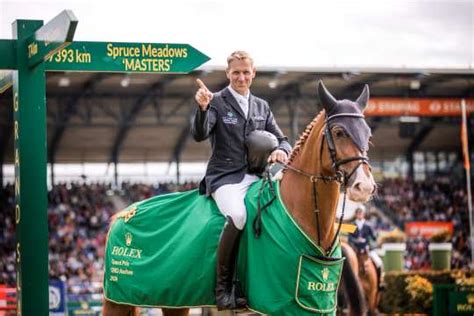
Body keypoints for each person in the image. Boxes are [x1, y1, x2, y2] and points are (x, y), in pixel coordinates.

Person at [192, 51, 291, 310]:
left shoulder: (261, 106)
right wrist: (202, 108)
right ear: (228, 74)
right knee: (238, 216)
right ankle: (222, 290)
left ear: (253, 73)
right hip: (225, 178)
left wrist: (282, 151)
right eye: (236, 72)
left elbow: (283, 140)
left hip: (258, 177)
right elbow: (200, 134)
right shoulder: (216, 101)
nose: (241, 77)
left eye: (246, 72)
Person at [348, 207, 383, 288]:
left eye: (361, 213)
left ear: (363, 214)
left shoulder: (368, 225)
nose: (360, 214)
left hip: (367, 250)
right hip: (355, 250)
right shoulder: (352, 225)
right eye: (358, 213)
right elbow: (349, 239)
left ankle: (380, 282)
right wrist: (357, 240)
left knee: (379, 263)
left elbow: (374, 237)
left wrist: (376, 234)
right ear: (356, 214)